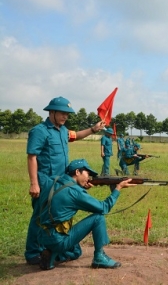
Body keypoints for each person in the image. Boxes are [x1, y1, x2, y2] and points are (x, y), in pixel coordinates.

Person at [25, 96, 106, 265]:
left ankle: (49, 248)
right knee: (40, 217)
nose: (65, 117)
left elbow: (75, 136)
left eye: (67, 114)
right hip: (45, 182)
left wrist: (93, 129)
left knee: (57, 217)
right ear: (52, 112)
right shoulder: (39, 131)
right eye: (62, 113)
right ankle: (33, 252)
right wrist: (34, 183)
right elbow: (32, 157)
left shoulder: (63, 130)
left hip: (62, 182)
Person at [37, 159, 136, 270]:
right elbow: (104, 207)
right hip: (57, 239)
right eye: (87, 173)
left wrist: (80, 187)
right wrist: (118, 188)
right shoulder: (75, 192)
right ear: (78, 172)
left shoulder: (53, 180)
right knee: (98, 218)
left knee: (76, 252)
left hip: (42, 237)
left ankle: (51, 254)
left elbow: (64, 195)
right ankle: (99, 257)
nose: (89, 178)